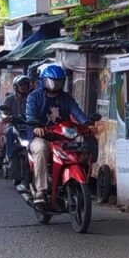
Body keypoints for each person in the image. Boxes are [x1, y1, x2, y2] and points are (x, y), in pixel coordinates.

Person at [25, 63, 88, 209]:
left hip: (62, 137)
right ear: (44, 81)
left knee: (82, 141)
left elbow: (77, 112)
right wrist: (36, 127)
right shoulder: (34, 96)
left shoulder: (66, 98)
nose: (56, 84)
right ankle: (41, 191)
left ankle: (78, 178)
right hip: (42, 137)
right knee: (40, 148)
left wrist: (87, 123)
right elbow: (30, 114)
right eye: (53, 81)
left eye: (59, 81)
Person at [2, 74, 32, 192]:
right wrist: (5, 117)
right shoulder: (10, 99)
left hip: (28, 127)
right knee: (9, 132)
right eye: (21, 85)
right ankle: (10, 158)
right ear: (16, 86)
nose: (23, 87)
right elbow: (3, 112)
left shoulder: (31, 99)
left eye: (25, 85)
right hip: (13, 126)